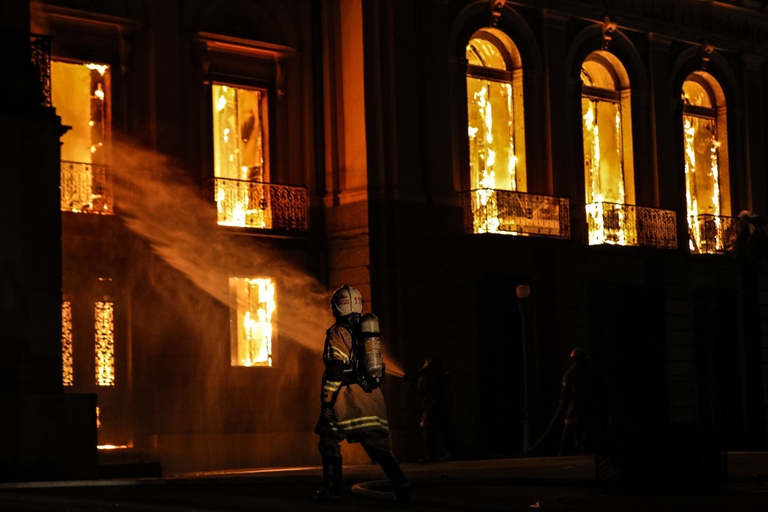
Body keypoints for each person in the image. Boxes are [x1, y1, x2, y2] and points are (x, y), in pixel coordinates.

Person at [310, 284, 411, 503]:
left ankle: (331, 490)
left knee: (329, 439)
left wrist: (327, 400)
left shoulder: (337, 332)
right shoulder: (367, 333)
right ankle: (402, 485)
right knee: (377, 447)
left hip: (346, 399)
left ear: (337, 307)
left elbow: (335, 369)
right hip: (370, 399)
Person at [414, 355, 454, 462]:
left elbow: (422, 389)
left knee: (430, 430)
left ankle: (433, 455)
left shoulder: (433, 377)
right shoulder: (436, 377)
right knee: (440, 431)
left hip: (433, 408)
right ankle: (447, 454)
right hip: (435, 407)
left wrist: (421, 374)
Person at [557, 348, 594, 456]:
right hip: (583, 408)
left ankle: (564, 450)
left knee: (571, 428)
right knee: (581, 429)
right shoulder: (587, 372)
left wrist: (562, 403)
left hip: (576, 408)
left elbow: (565, 392)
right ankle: (580, 448)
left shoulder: (571, 374)